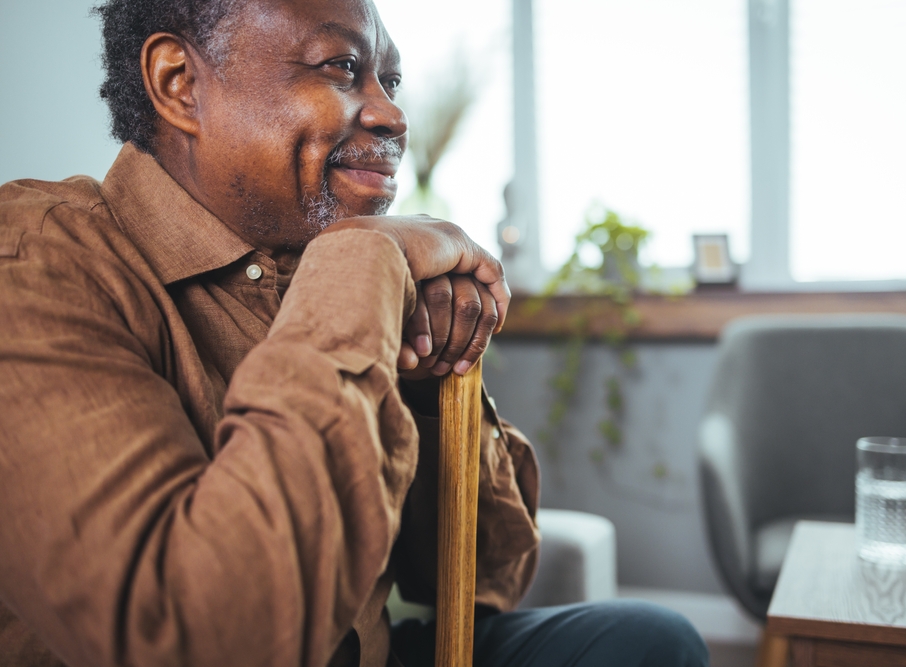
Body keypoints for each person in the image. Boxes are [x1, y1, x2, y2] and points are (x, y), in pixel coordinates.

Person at [0, 0, 709, 665]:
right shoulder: (36, 262)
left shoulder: (320, 255)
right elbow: (189, 632)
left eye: (389, 77)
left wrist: (429, 381)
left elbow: (485, 580)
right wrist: (362, 259)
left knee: (649, 641)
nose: (393, 114)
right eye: (341, 68)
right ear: (180, 82)